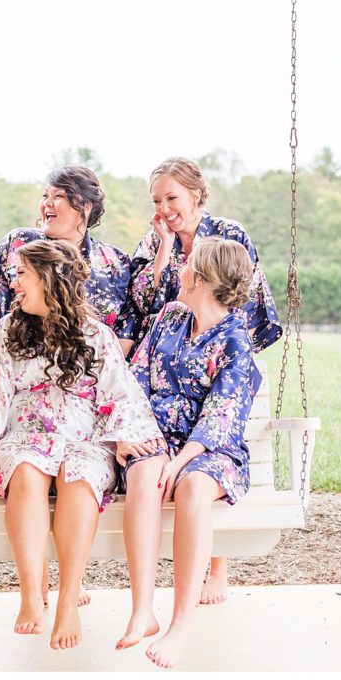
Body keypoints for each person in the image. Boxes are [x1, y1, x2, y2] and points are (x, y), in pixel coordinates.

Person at [0, 239, 162, 650]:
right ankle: (31, 594)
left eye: (21, 275)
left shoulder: (95, 335)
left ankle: (68, 598)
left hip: (83, 435)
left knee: (80, 475)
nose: (14, 282)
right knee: (27, 472)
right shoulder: (7, 332)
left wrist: (124, 435)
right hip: (26, 433)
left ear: (49, 280)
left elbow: (119, 391)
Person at [128, 155, 282, 605]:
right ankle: (152, 599)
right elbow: (144, 302)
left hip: (217, 348)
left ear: (195, 194)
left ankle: (216, 569)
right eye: (156, 200)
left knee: (201, 470)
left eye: (171, 198)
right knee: (154, 469)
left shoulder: (229, 235)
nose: (164, 208)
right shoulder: (157, 240)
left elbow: (246, 298)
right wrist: (161, 248)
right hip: (170, 347)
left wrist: (224, 353)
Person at [120, 237, 262, 668]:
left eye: (186, 266)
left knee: (193, 488)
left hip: (211, 448)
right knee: (145, 475)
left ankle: (181, 623)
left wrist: (181, 462)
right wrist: (131, 435)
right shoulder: (170, 318)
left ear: (200, 279)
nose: (179, 270)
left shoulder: (237, 341)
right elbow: (135, 379)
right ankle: (142, 609)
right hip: (156, 436)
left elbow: (223, 415)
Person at [0, 166, 138, 355]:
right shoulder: (18, 243)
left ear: (86, 205)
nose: (47, 204)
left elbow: (127, 327)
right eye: (45, 196)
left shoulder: (117, 263)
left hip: (89, 374)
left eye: (58, 196)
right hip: (16, 367)